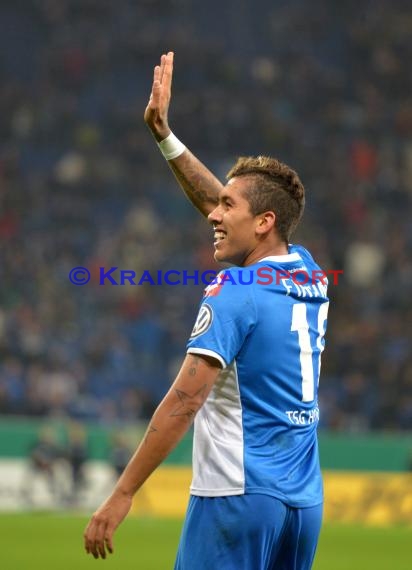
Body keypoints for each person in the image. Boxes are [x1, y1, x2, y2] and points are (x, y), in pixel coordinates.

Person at [84, 52, 329, 570]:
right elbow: (234, 216)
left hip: (235, 499)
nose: (213, 215)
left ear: (264, 222)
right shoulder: (308, 273)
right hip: (303, 505)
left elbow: (184, 401)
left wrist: (123, 492)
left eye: (227, 208)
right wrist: (165, 136)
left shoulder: (235, 288)